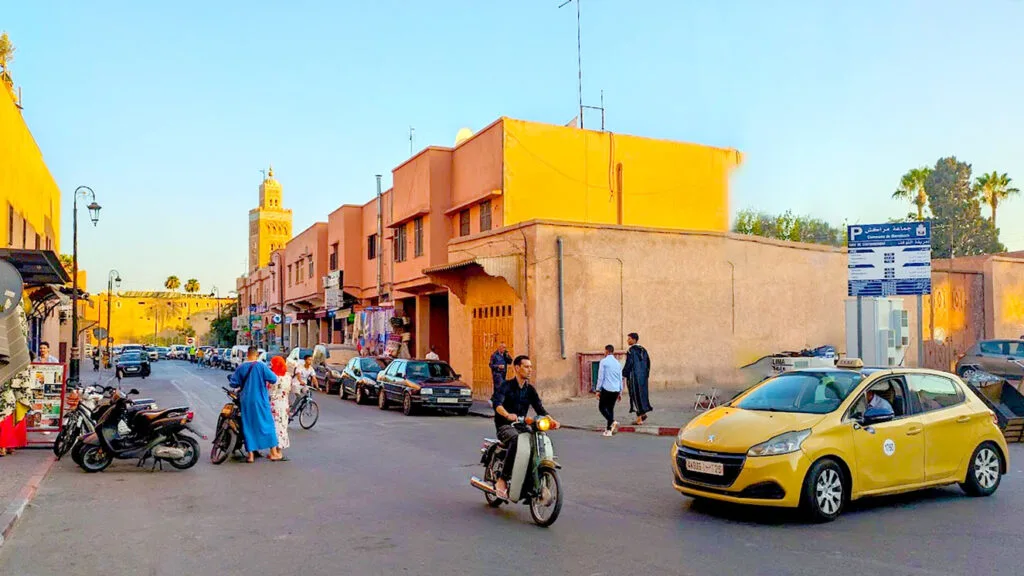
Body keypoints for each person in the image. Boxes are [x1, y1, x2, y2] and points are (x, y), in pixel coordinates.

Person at [489, 355, 560, 500]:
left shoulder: (530, 390)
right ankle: (503, 479)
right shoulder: (506, 386)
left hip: (521, 425)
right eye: (526, 367)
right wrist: (507, 415)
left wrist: (552, 421)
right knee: (516, 440)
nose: (530, 370)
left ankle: (529, 482)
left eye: (531, 367)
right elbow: (497, 404)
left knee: (538, 441)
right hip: (505, 426)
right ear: (517, 368)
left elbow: (540, 409)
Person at [228, 346, 280, 463]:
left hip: (246, 401)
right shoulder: (261, 366)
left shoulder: (241, 367)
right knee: (267, 424)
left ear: (247, 354)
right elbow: (273, 379)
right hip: (261, 400)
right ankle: (273, 452)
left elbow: (233, 383)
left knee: (248, 425)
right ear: (256, 355)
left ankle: (250, 456)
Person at [622, 332, 653, 425]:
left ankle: (639, 419)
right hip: (643, 377)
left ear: (634, 340)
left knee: (635, 396)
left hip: (634, 377)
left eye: (629, 339)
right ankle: (643, 413)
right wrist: (646, 375)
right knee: (642, 395)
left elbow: (629, 364)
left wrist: (624, 373)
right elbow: (648, 363)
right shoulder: (644, 350)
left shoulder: (631, 351)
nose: (628, 341)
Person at [268, 356, 292, 460]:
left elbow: (269, 391)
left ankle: (273, 453)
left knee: (272, 427)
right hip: (284, 404)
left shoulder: (273, 377)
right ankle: (279, 452)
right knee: (282, 427)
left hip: (274, 404)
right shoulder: (288, 376)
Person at [595, 345, 622, 437]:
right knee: (610, 408)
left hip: (607, 389)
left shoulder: (604, 362)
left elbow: (600, 377)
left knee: (602, 407)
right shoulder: (618, 363)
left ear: (606, 351)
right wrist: (620, 392)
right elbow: (620, 378)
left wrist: (598, 389)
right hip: (616, 389)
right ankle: (609, 430)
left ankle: (612, 421)